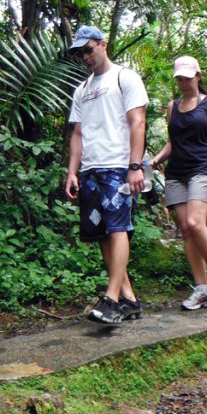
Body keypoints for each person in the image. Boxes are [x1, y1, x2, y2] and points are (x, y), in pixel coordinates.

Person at [64, 25, 149, 324]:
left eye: (88, 50)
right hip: (90, 169)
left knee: (118, 229)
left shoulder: (125, 77)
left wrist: (135, 166)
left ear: (103, 44)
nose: (85, 57)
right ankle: (129, 299)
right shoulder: (82, 89)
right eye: (80, 54)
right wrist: (72, 172)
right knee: (101, 233)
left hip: (118, 165)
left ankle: (111, 298)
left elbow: (137, 121)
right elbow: (78, 133)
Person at [152, 56, 207, 310]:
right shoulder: (172, 107)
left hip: (204, 168)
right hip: (177, 172)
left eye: (188, 77)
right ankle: (201, 287)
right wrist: (155, 160)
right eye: (180, 78)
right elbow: (172, 141)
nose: (184, 82)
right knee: (186, 231)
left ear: (198, 76)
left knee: (195, 222)